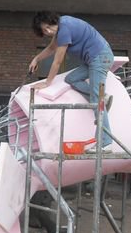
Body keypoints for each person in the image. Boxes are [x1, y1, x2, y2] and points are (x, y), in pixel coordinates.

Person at [28, 11, 114, 149]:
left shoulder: (64, 29)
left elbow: (57, 61)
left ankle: (105, 142)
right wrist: (36, 59)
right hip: (93, 59)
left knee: (96, 100)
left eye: (48, 27)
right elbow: (51, 48)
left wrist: (47, 82)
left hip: (100, 57)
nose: (48, 31)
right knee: (72, 79)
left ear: (52, 21)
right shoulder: (61, 27)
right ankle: (104, 97)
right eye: (44, 31)